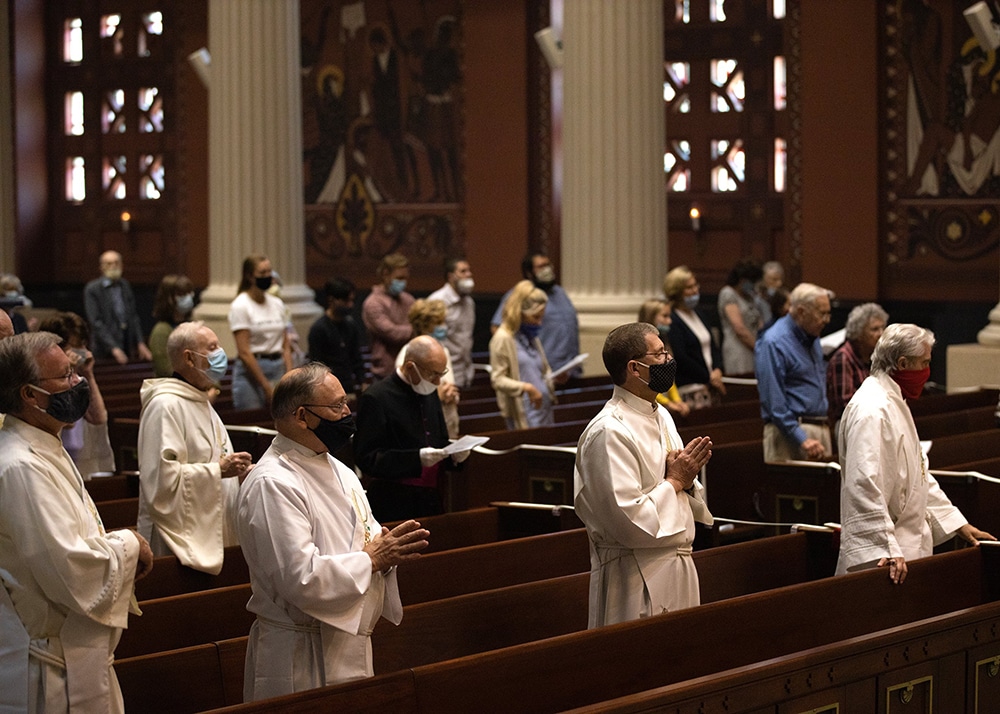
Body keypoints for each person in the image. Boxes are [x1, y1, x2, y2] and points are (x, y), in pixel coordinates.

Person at [237, 362, 430, 700]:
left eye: (346, 403)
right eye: (337, 406)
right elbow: (300, 577)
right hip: (300, 652)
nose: (347, 413)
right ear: (301, 416)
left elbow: (365, 543)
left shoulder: (339, 468)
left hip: (346, 640)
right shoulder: (273, 482)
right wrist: (371, 559)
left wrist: (383, 553)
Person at [0, 332, 153, 713]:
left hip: (73, 654)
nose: (77, 383)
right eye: (66, 375)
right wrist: (131, 544)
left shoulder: (43, 440)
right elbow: (70, 567)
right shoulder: (20, 465)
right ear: (30, 394)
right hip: (52, 668)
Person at [574, 322, 713, 628]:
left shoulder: (660, 414)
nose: (668, 361)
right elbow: (628, 520)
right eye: (660, 354)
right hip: (635, 575)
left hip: (678, 564)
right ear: (635, 369)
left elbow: (680, 487)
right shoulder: (609, 431)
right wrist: (675, 481)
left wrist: (686, 481)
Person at [836, 323, 996, 584]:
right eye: (924, 363)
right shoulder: (872, 410)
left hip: (905, 550)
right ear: (902, 363)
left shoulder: (894, 400)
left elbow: (918, 476)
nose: (927, 371)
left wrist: (958, 524)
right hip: (886, 559)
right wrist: (885, 547)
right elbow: (862, 482)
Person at [137, 321, 253, 574]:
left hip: (217, 529)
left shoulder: (199, 400)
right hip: (179, 544)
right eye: (212, 348)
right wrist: (218, 471)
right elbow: (160, 483)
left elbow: (216, 457)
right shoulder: (165, 406)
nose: (220, 354)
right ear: (189, 358)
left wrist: (240, 473)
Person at [354, 335, 471, 521]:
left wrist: (454, 456)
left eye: (441, 374)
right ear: (410, 367)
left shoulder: (429, 391)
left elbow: (438, 441)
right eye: (433, 374)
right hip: (394, 502)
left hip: (433, 498)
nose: (438, 382)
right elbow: (367, 458)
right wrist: (415, 459)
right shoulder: (376, 398)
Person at [755, 282, 833, 462]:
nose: (827, 320)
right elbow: (774, 401)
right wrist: (801, 438)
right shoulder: (773, 342)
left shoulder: (812, 336)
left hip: (818, 428)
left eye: (828, 313)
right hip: (790, 434)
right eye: (822, 313)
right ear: (801, 312)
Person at [37, 312, 116, 478]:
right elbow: (68, 421)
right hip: (50, 458)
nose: (82, 351)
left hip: (79, 458)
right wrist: (64, 372)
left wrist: (88, 374)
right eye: (75, 345)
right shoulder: (44, 377)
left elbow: (98, 418)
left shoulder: (79, 377)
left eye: (83, 344)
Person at [491, 252, 580, 378]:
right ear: (529, 272)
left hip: (569, 370)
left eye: (548, 265)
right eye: (541, 266)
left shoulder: (560, 292)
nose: (547, 269)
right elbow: (498, 328)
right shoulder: (519, 295)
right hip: (540, 373)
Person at [228, 254, 293, 410]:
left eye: (269, 272)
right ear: (250, 277)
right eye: (262, 273)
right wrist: (266, 386)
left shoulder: (277, 303)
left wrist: (289, 375)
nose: (268, 276)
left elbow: (285, 344)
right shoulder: (241, 305)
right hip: (252, 371)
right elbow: (244, 352)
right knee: (254, 421)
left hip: (277, 366)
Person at [489, 280, 556, 429]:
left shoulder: (532, 337)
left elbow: (541, 369)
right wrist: (526, 388)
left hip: (543, 409)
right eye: (535, 317)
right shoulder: (502, 338)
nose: (539, 323)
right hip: (523, 413)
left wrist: (551, 378)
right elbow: (497, 379)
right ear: (521, 314)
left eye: (541, 317)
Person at [396, 299, 460, 438]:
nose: (443, 326)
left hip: (447, 419)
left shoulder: (443, 350)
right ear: (424, 326)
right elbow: (406, 399)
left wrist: (452, 394)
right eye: (438, 323)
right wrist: (438, 397)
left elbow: (449, 383)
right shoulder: (408, 354)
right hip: (424, 428)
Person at [662, 266, 725, 406]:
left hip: (710, 384)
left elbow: (712, 346)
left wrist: (717, 369)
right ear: (677, 292)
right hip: (690, 388)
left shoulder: (699, 313)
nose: (695, 290)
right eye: (689, 288)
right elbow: (681, 356)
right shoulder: (673, 319)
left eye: (696, 285)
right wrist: (708, 377)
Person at [83, 250, 153, 364]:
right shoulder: (92, 289)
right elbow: (96, 322)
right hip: (104, 350)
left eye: (116, 263)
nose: (113, 266)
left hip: (126, 345)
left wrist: (140, 342)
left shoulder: (124, 285)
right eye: (109, 263)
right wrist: (113, 347)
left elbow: (133, 316)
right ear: (101, 267)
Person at [826, 302, 888, 428]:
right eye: (875, 329)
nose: (881, 334)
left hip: (870, 422)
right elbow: (846, 405)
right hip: (850, 425)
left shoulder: (874, 357)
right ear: (858, 333)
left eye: (883, 328)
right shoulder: (843, 358)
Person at [307, 277, 366, 398]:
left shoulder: (351, 325)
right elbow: (316, 365)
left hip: (348, 387)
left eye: (351, 300)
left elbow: (356, 357)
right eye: (346, 301)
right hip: (327, 389)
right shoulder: (319, 329)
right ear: (331, 300)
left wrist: (363, 381)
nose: (350, 305)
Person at [361, 253, 415, 380]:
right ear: (385, 274)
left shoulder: (408, 299)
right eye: (399, 278)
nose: (404, 283)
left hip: (410, 370)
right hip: (386, 374)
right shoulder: (373, 303)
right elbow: (392, 333)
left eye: (406, 278)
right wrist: (416, 330)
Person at [427, 257, 476, 388]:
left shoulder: (469, 303)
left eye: (469, 271)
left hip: (465, 372)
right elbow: (430, 341)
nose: (469, 274)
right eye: (463, 271)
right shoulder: (437, 302)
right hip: (445, 373)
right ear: (451, 276)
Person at [637, 298, 689, 419]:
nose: (669, 321)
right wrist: (667, 403)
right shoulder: (639, 347)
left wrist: (677, 400)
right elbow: (644, 382)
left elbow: (669, 378)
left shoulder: (665, 341)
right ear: (650, 318)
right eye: (665, 316)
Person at [717, 259, 764, 376]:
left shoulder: (749, 296)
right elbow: (739, 328)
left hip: (754, 347)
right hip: (738, 349)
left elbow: (758, 320)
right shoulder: (728, 293)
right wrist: (759, 348)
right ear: (742, 279)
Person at [149, 274, 196, 377]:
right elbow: (165, 370)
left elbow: (207, 359)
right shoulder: (161, 331)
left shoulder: (193, 326)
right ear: (169, 299)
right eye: (182, 295)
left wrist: (213, 387)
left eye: (189, 293)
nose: (188, 298)